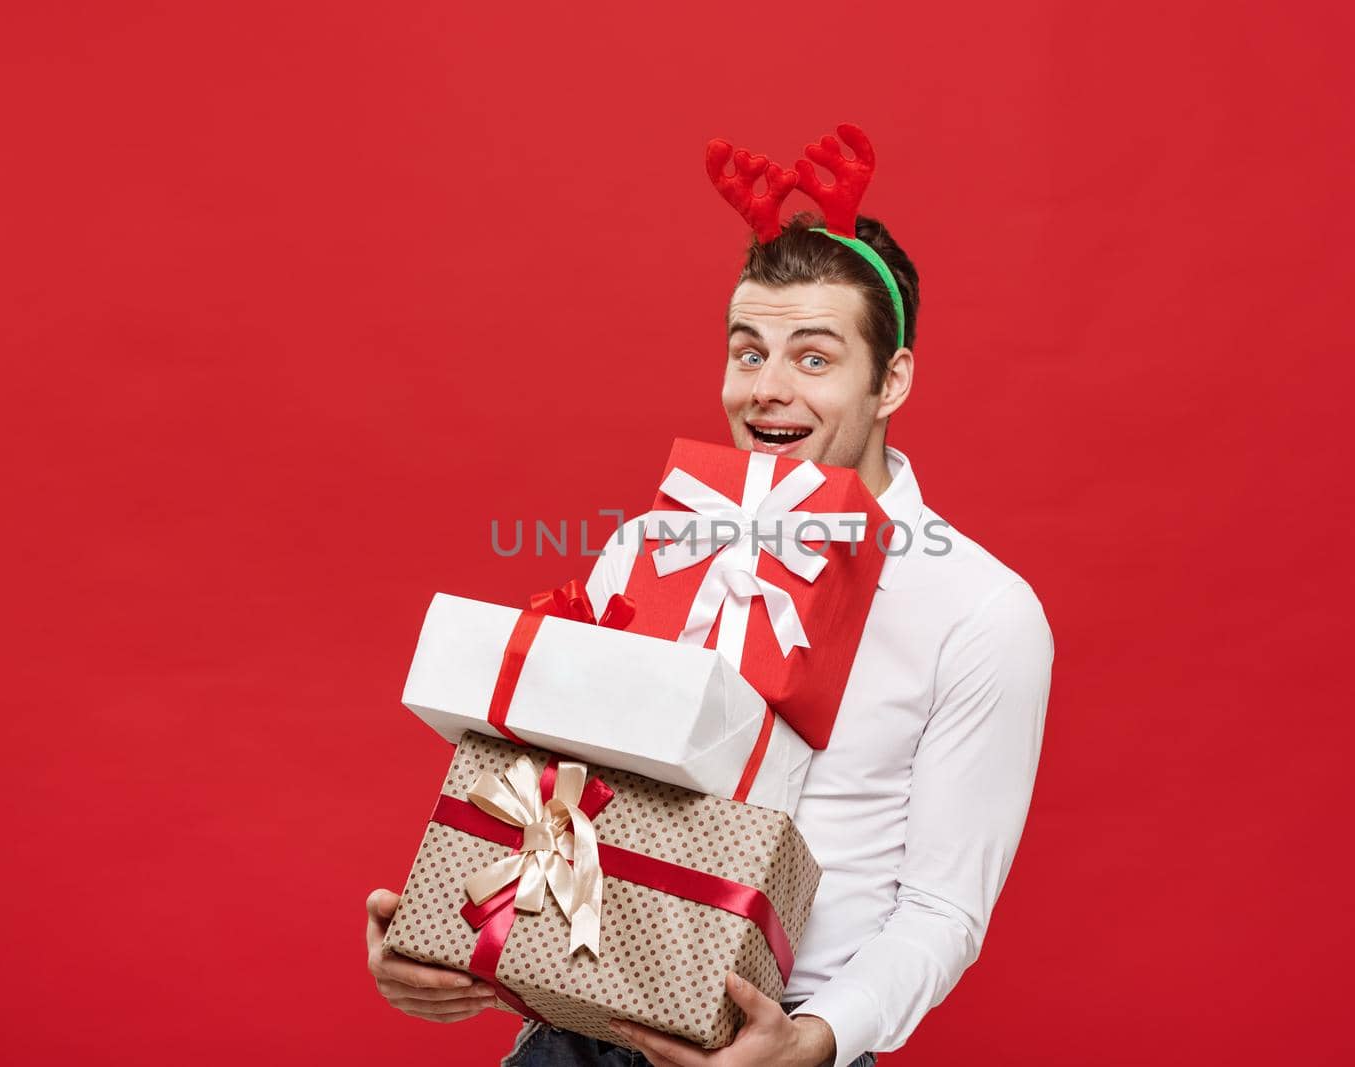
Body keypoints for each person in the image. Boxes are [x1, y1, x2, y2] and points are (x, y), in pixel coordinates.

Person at [366, 137, 1054, 1067]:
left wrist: (809, 1042)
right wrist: (450, 940)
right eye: (749, 351)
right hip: (575, 1036)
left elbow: (943, 910)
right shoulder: (651, 545)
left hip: (782, 1045)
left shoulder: (979, 611)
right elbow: (559, 799)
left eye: (815, 358)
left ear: (891, 381)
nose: (767, 389)